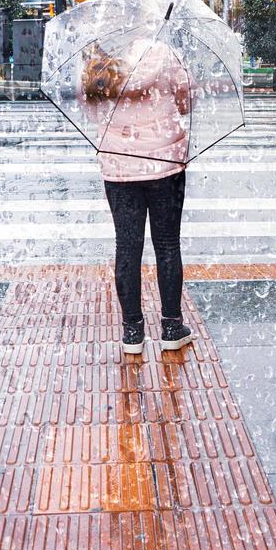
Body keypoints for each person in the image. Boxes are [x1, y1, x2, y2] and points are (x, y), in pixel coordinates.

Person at [82, 39, 194, 355]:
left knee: (127, 246)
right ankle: (172, 326)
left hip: (119, 168)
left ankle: (133, 331)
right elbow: (185, 102)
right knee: (168, 244)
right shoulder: (164, 54)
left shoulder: (96, 58)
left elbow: (90, 109)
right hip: (166, 163)